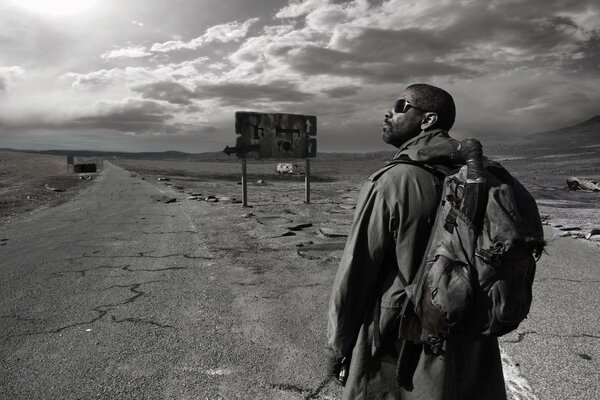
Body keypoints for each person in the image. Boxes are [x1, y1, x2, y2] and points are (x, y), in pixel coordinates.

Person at [326, 83, 507, 399]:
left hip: (403, 345)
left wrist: (337, 347)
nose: (389, 112)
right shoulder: (485, 177)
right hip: (474, 343)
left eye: (400, 105)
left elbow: (356, 276)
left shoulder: (392, 181)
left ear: (428, 120)